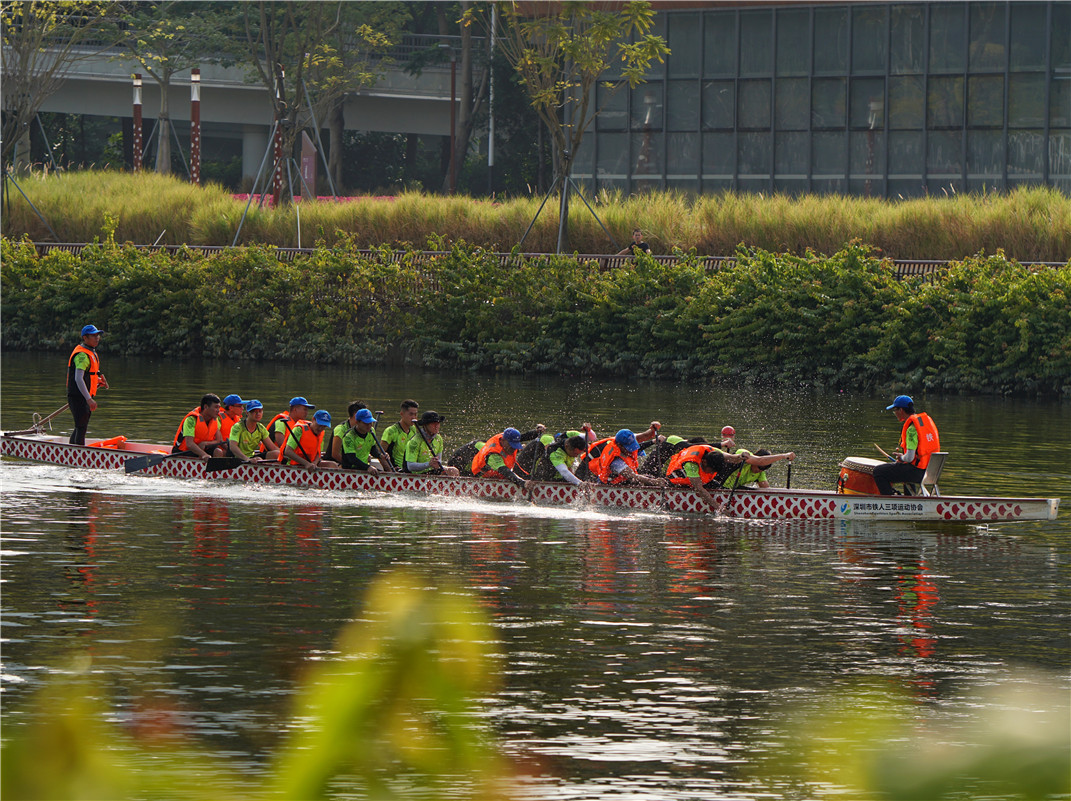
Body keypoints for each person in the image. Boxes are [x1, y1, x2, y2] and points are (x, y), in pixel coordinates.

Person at [873, 394, 940, 496]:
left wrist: (901, 457)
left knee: (878, 472)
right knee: (905, 468)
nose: (894, 413)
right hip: (931, 471)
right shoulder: (925, 423)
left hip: (918, 473)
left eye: (895, 410)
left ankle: (890, 501)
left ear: (900, 410)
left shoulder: (912, 430)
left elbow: (909, 458)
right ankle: (908, 499)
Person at [66, 324, 109, 445]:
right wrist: (89, 399)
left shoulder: (91, 352)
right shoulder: (82, 355)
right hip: (78, 396)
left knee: (80, 426)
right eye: (93, 336)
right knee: (81, 427)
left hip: (83, 396)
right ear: (85, 338)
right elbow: (78, 379)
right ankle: (78, 456)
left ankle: (73, 452)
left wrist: (100, 380)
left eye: (98, 335)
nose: (97, 338)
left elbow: (91, 374)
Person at [583, 426, 667, 487]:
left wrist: (653, 437)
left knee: (648, 477)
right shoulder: (615, 460)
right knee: (644, 481)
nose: (631, 450)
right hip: (609, 486)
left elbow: (643, 437)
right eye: (628, 448)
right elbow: (632, 476)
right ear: (619, 445)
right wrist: (654, 482)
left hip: (622, 480)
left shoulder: (625, 441)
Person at [665, 444, 737, 512]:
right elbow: (699, 489)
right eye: (712, 470)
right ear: (704, 462)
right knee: (664, 483)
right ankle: (656, 481)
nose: (712, 473)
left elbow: (727, 456)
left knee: (720, 487)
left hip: (697, 479)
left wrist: (739, 456)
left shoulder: (710, 452)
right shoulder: (691, 465)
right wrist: (718, 507)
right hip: (677, 481)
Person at [470, 425, 546, 487]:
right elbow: (506, 471)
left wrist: (536, 432)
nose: (513, 448)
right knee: (517, 478)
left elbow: (522, 437)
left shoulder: (506, 438)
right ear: (503, 441)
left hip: (500, 475)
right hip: (483, 480)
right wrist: (523, 483)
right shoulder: (493, 454)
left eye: (515, 446)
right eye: (511, 445)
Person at [331, 404, 391, 472]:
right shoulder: (348, 437)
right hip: (350, 470)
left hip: (364, 467)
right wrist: (367, 467)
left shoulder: (371, 431)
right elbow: (352, 459)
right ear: (357, 422)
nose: (369, 425)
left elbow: (373, 449)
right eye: (366, 423)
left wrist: (381, 455)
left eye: (370, 422)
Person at [527, 427, 598, 485]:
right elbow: (564, 471)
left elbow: (592, 438)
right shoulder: (555, 453)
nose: (576, 457)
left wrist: (589, 430)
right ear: (567, 447)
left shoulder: (571, 436)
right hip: (548, 478)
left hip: (563, 473)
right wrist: (581, 484)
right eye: (575, 454)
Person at [405, 410, 460, 477]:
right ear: (425, 425)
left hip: (431, 471)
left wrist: (437, 464)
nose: (436, 426)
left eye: (438, 423)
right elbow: (410, 466)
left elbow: (439, 460)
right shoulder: (414, 442)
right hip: (417, 475)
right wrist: (428, 464)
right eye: (433, 424)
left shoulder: (438, 439)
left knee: (453, 471)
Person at [171, 394, 225, 459]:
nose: (218, 410)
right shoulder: (191, 419)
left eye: (219, 407)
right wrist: (204, 454)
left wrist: (205, 443)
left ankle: (216, 468)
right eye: (216, 407)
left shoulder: (215, 420)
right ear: (206, 407)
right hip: (183, 451)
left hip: (202, 448)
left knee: (218, 451)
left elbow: (218, 440)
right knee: (202, 452)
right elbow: (189, 444)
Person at [720, 448, 796, 490]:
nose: (760, 470)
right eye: (760, 466)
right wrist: (784, 456)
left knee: (753, 490)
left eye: (765, 468)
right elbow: (760, 460)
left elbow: (766, 490)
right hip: (717, 486)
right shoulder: (744, 454)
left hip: (731, 490)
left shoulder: (760, 473)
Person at [379, 399, 420, 471]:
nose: (414, 418)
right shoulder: (391, 431)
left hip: (408, 469)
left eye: (415, 414)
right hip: (396, 470)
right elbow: (380, 454)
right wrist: (390, 471)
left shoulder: (413, 429)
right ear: (402, 414)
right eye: (411, 414)